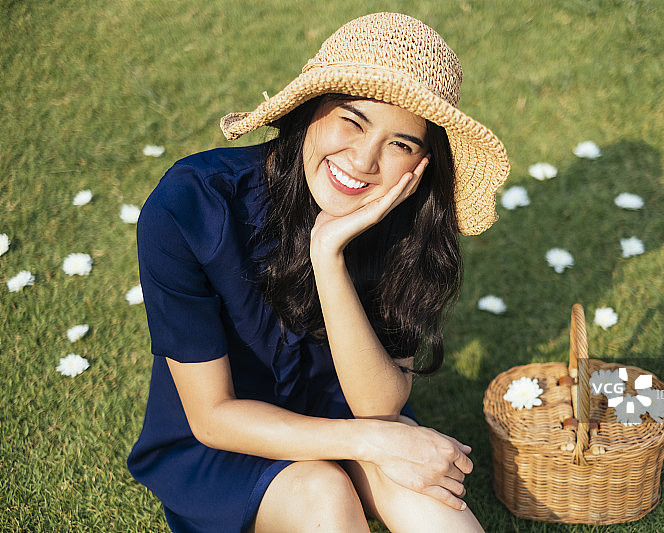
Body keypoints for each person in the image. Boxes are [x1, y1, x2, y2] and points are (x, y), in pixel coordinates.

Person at [127, 12, 509, 533]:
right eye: (352, 121)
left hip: (348, 419)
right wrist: (373, 441)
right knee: (324, 492)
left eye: (401, 143)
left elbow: (378, 405)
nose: (365, 160)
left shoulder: (408, 228)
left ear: (422, 163)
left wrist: (327, 256)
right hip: (226, 442)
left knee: (425, 499)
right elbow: (213, 415)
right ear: (310, 110)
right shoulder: (192, 206)